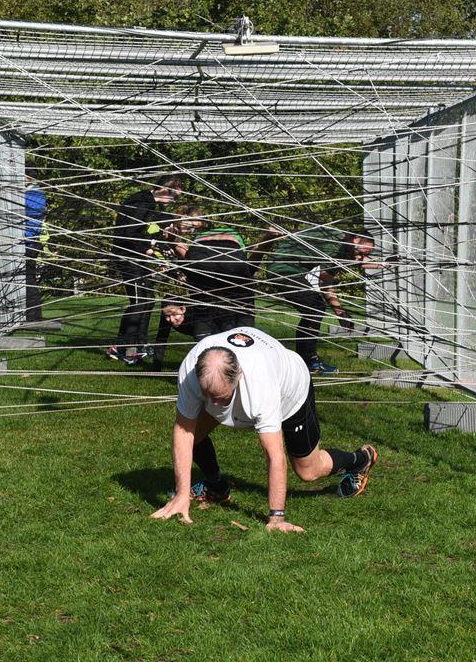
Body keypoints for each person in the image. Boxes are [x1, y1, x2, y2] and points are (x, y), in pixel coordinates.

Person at [150, 327, 378, 533]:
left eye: (220, 397)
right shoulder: (191, 371)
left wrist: (276, 518)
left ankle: (360, 459)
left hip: (291, 393)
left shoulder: (260, 385)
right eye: (208, 396)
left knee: (308, 471)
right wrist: (181, 494)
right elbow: (183, 431)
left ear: (239, 375)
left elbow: (274, 455)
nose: (214, 404)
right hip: (247, 377)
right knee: (194, 437)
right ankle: (217, 487)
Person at [267, 227, 376, 375]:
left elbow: (359, 263)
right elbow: (325, 281)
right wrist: (339, 312)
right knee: (315, 308)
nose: (359, 257)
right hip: (284, 270)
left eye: (364, 255)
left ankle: (305, 360)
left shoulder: (340, 240)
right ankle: (309, 361)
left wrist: (386, 263)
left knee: (313, 309)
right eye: (360, 253)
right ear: (355, 240)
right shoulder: (336, 246)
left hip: (286, 270)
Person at [107, 175, 183, 364]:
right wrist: (149, 246)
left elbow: (144, 229)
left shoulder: (147, 203)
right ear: (165, 190)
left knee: (148, 298)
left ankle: (140, 344)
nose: (174, 201)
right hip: (127, 255)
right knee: (139, 300)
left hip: (136, 255)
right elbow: (129, 233)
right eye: (174, 197)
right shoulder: (142, 202)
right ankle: (122, 348)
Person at [24, 180, 48, 322]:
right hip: (34, 240)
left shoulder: (30, 195)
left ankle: (32, 316)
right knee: (30, 277)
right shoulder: (39, 194)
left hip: (28, 241)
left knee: (28, 278)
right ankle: (33, 314)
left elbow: (28, 220)